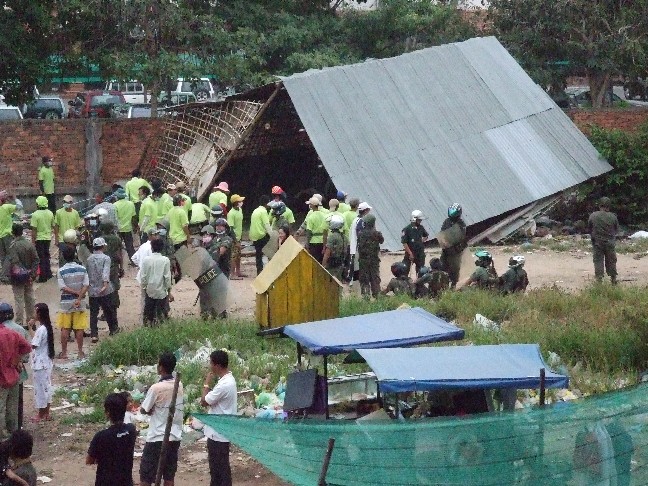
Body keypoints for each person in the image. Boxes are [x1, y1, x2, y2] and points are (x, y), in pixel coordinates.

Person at [139, 352, 184, 486]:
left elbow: (144, 409)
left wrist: (150, 409)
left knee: (146, 476)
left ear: (160, 367)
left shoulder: (156, 388)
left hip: (157, 437)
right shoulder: (179, 385)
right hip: (174, 436)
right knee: (169, 476)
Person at [200, 350, 237, 486]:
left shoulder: (224, 384)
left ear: (217, 365)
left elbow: (204, 401)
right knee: (220, 470)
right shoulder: (228, 380)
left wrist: (206, 383)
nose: (210, 366)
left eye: (211, 363)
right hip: (222, 431)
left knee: (219, 471)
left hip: (217, 434)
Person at [87, 393, 137, 486]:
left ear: (107, 413)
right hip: (126, 481)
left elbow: (89, 460)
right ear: (124, 410)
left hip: (105, 481)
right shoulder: (131, 430)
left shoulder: (101, 436)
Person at [0, 303, 31, 441]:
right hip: (14, 374)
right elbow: (27, 347)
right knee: (13, 406)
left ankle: (3, 436)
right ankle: (14, 434)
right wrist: (17, 360)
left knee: (1, 407)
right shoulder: (13, 332)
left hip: (1, 377)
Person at [56, 245, 89, 359]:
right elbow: (86, 285)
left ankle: (64, 353)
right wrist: (79, 297)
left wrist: (74, 292)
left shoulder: (61, 271)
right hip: (80, 302)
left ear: (64, 257)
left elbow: (63, 287)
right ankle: (80, 352)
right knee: (79, 328)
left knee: (65, 328)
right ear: (75, 255)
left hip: (66, 303)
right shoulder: (82, 269)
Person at [86, 238, 119, 342]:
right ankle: (113, 329)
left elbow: (87, 273)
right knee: (109, 310)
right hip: (105, 290)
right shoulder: (106, 258)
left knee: (93, 313)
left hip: (92, 290)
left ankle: (94, 334)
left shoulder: (89, 258)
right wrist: (105, 284)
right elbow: (106, 272)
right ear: (103, 246)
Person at [26, 303, 54, 424]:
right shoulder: (47, 327)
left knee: (40, 389)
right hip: (46, 361)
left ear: (39, 313)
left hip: (40, 364)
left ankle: (41, 414)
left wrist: (29, 330)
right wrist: (32, 329)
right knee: (46, 387)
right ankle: (46, 412)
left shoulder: (42, 329)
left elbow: (33, 344)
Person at [6, 224, 38, 328]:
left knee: (19, 300)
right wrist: (32, 274)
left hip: (17, 278)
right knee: (30, 299)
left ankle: (19, 323)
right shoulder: (29, 244)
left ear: (13, 233)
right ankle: (31, 321)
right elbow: (36, 259)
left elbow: (13, 262)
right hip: (29, 276)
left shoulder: (13, 246)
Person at [141, 238, 172, 327]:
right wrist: (168, 290)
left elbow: (143, 276)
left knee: (148, 312)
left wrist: (144, 287)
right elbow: (167, 277)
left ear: (152, 248)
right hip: (161, 291)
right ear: (162, 248)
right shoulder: (165, 260)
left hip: (149, 290)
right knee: (161, 313)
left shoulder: (146, 260)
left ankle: (148, 326)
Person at [588, 196, 619, 284]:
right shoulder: (613, 216)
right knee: (611, 260)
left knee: (598, 260)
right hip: (610, 242)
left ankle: (599, 280)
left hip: (597, 242)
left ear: (599, 205)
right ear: (609, 206)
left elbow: (589, 228)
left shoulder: (593, 215)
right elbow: (616, 229)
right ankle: (613, 279)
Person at [440, 203, 467, 288]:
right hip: (446, 250)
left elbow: (459, 237)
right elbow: (442, 232)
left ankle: (453, 285)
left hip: (456, 251)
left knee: (454, 269)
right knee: (442, 266)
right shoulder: (446, 221)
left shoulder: (461, 224)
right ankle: (443, 284)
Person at [357, 213, 384, 298]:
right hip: (374, 259)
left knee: (364, 279)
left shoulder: (361, 233)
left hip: (363, 260)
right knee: (375, 278)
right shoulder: (377, 233)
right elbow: (382, 241)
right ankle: (377, 295)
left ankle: (366, 296)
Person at [30, 196, 53, 282]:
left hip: (39, 239)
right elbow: (53, 225)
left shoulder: (35, 214)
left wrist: (33, 241)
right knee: (47, 256)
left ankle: (43, 277)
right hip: (48, 238)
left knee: (40, 258)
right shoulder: (50, 213)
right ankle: (49, 274)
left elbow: (34, 230)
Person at [349, 201, 371, 283]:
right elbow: (360, 235)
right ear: (365, 211)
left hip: (354, 247)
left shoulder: (356, 219)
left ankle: (354, 283)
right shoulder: (361, 221)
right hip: (358, 248)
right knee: (357, 267)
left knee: (355, 267)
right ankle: (355, 285)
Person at [402, 210, 429, 276]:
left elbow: (426, 236)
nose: (420, 221)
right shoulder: (407, 229)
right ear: (414, 219)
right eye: (419, 220)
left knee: (421, 271)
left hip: (420, 253)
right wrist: (410, 253)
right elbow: (404, 243)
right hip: (410, 253)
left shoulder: (421, 228)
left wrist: (420, 242)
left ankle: (419, 284)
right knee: (404, 270)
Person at [113, 188, 137, 263]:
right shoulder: (131, 204)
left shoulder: (114, 205)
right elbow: (133, 217)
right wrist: (135, 227)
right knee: (130, 246)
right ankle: (133, 261)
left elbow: (115, 218)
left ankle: (119, 263)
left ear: (117, 196)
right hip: (128, 229)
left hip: (119, 230)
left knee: (117, 247)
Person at [249, 196, 272, 275]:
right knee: (269, 250)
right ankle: (269, 269)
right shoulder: (263, 212)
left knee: (258, 253)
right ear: (267, 203)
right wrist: (272, 235)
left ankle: (259, 271)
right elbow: (267, 225)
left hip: (254, 236)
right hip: (261, 235)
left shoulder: (255, 210)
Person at [0, 192, 18, 283]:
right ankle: (4, 275)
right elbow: (19, 207)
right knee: (10, 255)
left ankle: (5, 275)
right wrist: (14, 198)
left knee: (2, 256)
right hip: (7, 234)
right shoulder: (6, 207)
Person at [303, 196, 327, 263]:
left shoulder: (311, 217)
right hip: (322, 241)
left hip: (313, 242)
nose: (309, 205)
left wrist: (307, 244)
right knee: (321, 261)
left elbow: (309, 232)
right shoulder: (324, 215)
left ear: (312, 206)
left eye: (310, 204)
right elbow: (326, 230)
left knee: (314, 262)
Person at [322, 214, 346, 281]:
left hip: (332, 265)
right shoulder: (344, 237)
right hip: (340, 264)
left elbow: (327, 253)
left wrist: (323, 265)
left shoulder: (332, 237)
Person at [227, 195, 245, 279]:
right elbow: (230, 228)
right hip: (234, 238)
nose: (241, 202)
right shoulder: (231, 213)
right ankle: (232, 274)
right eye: (239, 201)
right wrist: (236, 241)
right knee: (233, 256)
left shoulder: (240, 210)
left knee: (238, 255)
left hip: (239, 236)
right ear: (235, 203)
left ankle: (238, 271)